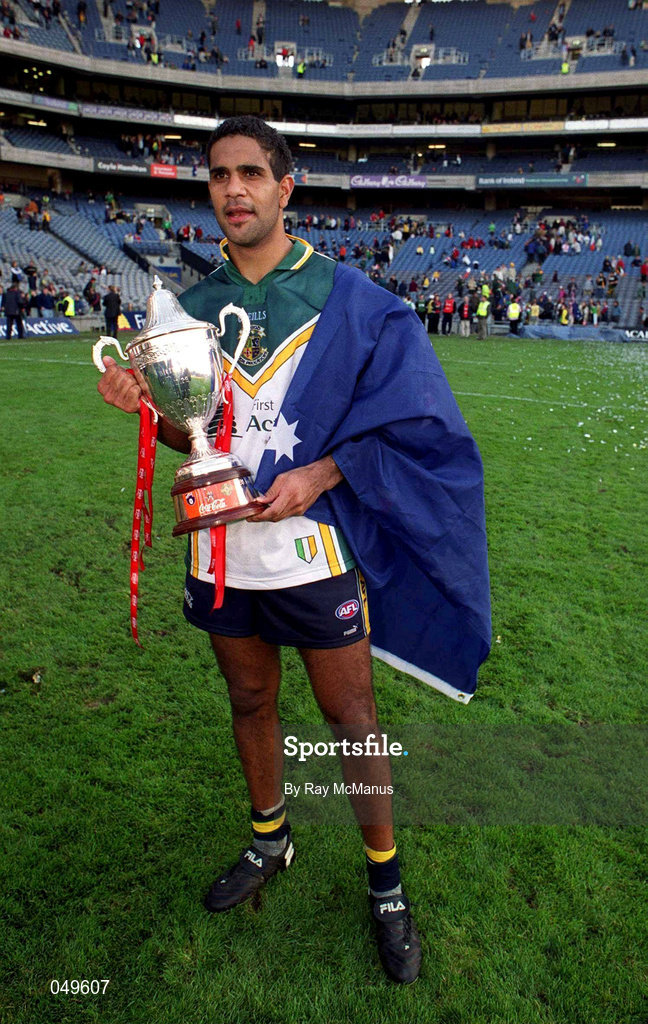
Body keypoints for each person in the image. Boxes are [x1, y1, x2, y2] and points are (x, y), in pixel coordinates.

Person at [96, 117, 490, 986]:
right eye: (217, 176)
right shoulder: (184, 312)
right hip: (222, 555)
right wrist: (144, 404)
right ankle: (270, 838)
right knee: (248, 698)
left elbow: (417, 424)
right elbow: (186, 435)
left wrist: (322, 474)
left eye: (248, 174)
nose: (232, 190)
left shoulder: (354, 301)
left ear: (284, 188)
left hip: (313, 551)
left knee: (353, 720)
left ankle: (386, 884)